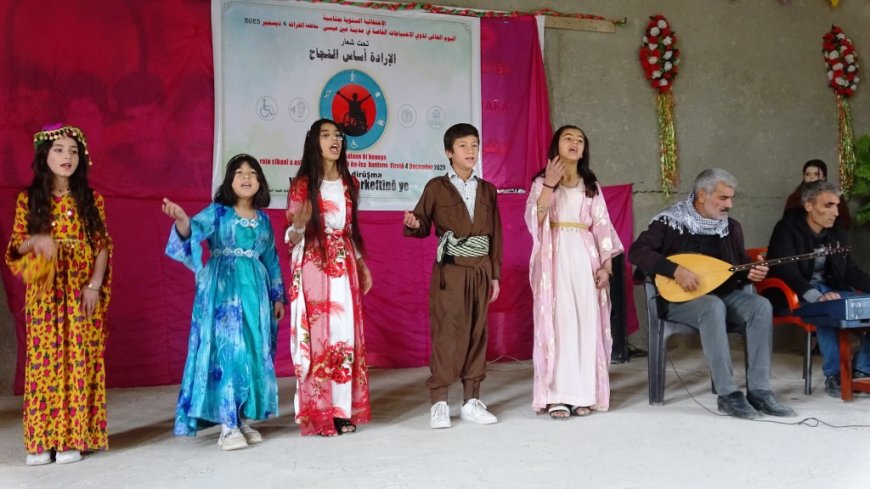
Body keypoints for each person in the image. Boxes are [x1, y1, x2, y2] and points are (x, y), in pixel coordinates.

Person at [629, 168, 795, 419]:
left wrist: (751, 272)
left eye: (731, 198)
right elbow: (637, 252)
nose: (729, 204)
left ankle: (760, 391)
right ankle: (728, 395)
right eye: (723, 198)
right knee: (712, 305)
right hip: (679, 301)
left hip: (723, 296)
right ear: (701, 195)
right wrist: (675, 270)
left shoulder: (731, 228)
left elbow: (736, 266)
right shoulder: (670, 222)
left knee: (760, 306)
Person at [162, 154, 285, 450]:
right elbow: (193, 230)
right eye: (239, 173)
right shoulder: (218, 213)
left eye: (252, 173)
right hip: (223, 293)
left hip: (255, 295)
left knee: (252, 350)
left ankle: (241, 418)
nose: (246, 177)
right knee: (228, 350)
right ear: (229, 181)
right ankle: (227, 425)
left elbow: (271, 259)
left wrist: (278, 296)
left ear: (260, 182)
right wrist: (182, 221)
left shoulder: (264, 220)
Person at [5, 124, 112, 465]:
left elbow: (102, 246)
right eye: (59, 150)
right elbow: (15, 246)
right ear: (44, 156)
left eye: (73, 151)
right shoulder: (28, 199)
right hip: (45, 294)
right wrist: (36, 241)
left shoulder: (91, 199)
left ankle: (71, 439)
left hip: (81, 291)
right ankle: (41, 440)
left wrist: (94, 285)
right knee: (44, 364)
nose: (67, 157)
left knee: (78, 361)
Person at [403, 123, 503, 429]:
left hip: (481, 269)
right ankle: (440, 403)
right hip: (451, 270)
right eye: (463, 145)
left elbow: (496, 236)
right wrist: (413, 223)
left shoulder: (488, 190)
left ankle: (471, 401)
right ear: (449, 152)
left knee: (477, 333)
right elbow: (421, 224)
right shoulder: (436, 187)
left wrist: (495, 276)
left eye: (475, 145)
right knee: (448, 333)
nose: (471, 150)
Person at [525, 125, 624, 419]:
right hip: (554, 259)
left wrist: (606, 266)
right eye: (568, 138)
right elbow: (535, 220)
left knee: (586, 323)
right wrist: (549, 185)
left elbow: (602, 227)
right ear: (556, 145)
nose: (574, 143)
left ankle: (584, 394)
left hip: (585, 259)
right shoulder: (542, 182)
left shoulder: (591, 185)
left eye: (580, 140)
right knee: (559, 322)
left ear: (583, 151)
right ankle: (557, 395)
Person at [285, 119, 373, 436]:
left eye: (338, 135)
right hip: (314, 264)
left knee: (343, 334)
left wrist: (361, 264)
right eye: (326, 135)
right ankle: (319, 412)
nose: (334, 140)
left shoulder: (351, 183)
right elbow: (291, 236)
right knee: (319, 337)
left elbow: (350, 231)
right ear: (314, 142)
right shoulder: (303, 185)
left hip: (344, 264)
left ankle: (341, 410)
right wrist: (299, 225)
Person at [767, 180, 870, 397]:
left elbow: (850, 270)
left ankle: (863, 369)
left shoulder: (837, 231)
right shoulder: (787, 228)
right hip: (795, 293)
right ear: (809, 206)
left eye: (836, 205)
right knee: (826, 310)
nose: (835, 212)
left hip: (831, 290)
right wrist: (817, 296)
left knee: (864, 306)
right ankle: (835, 375)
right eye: (828, 205)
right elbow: (787, 271)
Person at [782, 159, 851, 230]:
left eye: (816, 174)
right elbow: (787, 223)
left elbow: (844, 222)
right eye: (807, 174)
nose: (811, 177)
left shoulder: (835, 196)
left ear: (824, 177)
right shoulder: (795, 197)